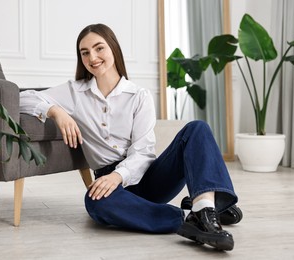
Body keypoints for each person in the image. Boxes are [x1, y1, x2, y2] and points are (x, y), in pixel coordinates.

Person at [20, 23, 241, 251]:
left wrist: (119, 175)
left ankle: (205, 207)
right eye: (85, 52)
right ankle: (190, 216)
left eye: (99, 48)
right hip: (110, 184)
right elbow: (23, 98)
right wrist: (56, 112)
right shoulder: (74, 92)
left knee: (197, 129)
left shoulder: (139, 96)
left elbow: (144, 152)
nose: (92, 57)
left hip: (148, 177)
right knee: (95, 202)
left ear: (113, 49)